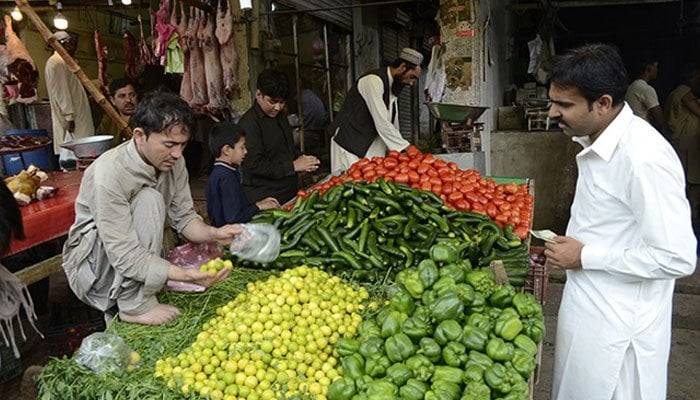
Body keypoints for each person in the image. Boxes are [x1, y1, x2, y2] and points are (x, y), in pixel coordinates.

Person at [545, 44, 697, 400]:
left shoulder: (643, 158)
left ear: (603, 104)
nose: (553, 113)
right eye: (553, 101)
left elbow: (677, 257)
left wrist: (585, 256)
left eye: (564, 105)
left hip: (618, 332)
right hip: (591, 312)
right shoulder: (597, 140)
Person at [62, 92, 240, 326]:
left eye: (182, 145)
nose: (177, 154)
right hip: (97, 266)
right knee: (149, 199)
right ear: (139, 136)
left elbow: (185, 218)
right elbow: (124, 254)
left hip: (129, 258)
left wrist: (215, 233)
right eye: (169, 144)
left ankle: (142, 290)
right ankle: (133, 305)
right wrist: (185, 275)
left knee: (152, 201)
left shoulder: (174, 162)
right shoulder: (109, 173)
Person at [329, 48, 423, 174]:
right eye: (412, 77)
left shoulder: (392, 88)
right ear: (402, 67)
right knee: (349, 186)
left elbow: (393, 124)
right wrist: (406, 147)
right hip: (349, 145)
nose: (411, 83)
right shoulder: (373, 81)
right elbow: (382, 121)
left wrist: (398, 152)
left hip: (367, 148)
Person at [239, 69, 319, 204]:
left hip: (288, 190)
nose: (277, 107)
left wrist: (301, 158)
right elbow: (254, 165)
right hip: (266, 196)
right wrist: (293, 166)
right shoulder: (248, 124)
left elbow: (286, 147)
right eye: (272, 101)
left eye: (282, 103)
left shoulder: (280, 116)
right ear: (259, 95)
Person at [206, 122, 279, 227]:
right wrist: (258, 207)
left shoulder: (219, 172)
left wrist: (259, 203)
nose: (246, 151)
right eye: (242, 147)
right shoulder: (226, 177)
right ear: (226, 150)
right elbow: (234, 218)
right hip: (229, 235)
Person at [45, 31, 95, 167]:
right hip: (73, 119)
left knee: (83, 155)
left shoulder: (65, 62)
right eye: (70, 43)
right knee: (76, 157)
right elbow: (62, 92)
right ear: (64, 44)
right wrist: (69, 117)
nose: (74, 47)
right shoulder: (57, 63)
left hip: (77, 114)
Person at [665, 64, 700, 229]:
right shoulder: (684, 92)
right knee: (691, 179)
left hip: (681, 140)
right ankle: (691, 216)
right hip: (687, 142)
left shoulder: (676, 92)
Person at [624, 56, 668, 133]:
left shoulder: (631, 86)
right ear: (649, 68)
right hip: (642, 132)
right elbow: (659, 119)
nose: (657, 70)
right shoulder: (646, 89)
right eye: (656, 67)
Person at [97, 78, 138, 144]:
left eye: (132, 95)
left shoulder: (146, 118)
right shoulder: (108, 120)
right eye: (122, 96)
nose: (128, 100)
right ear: (112, 100)